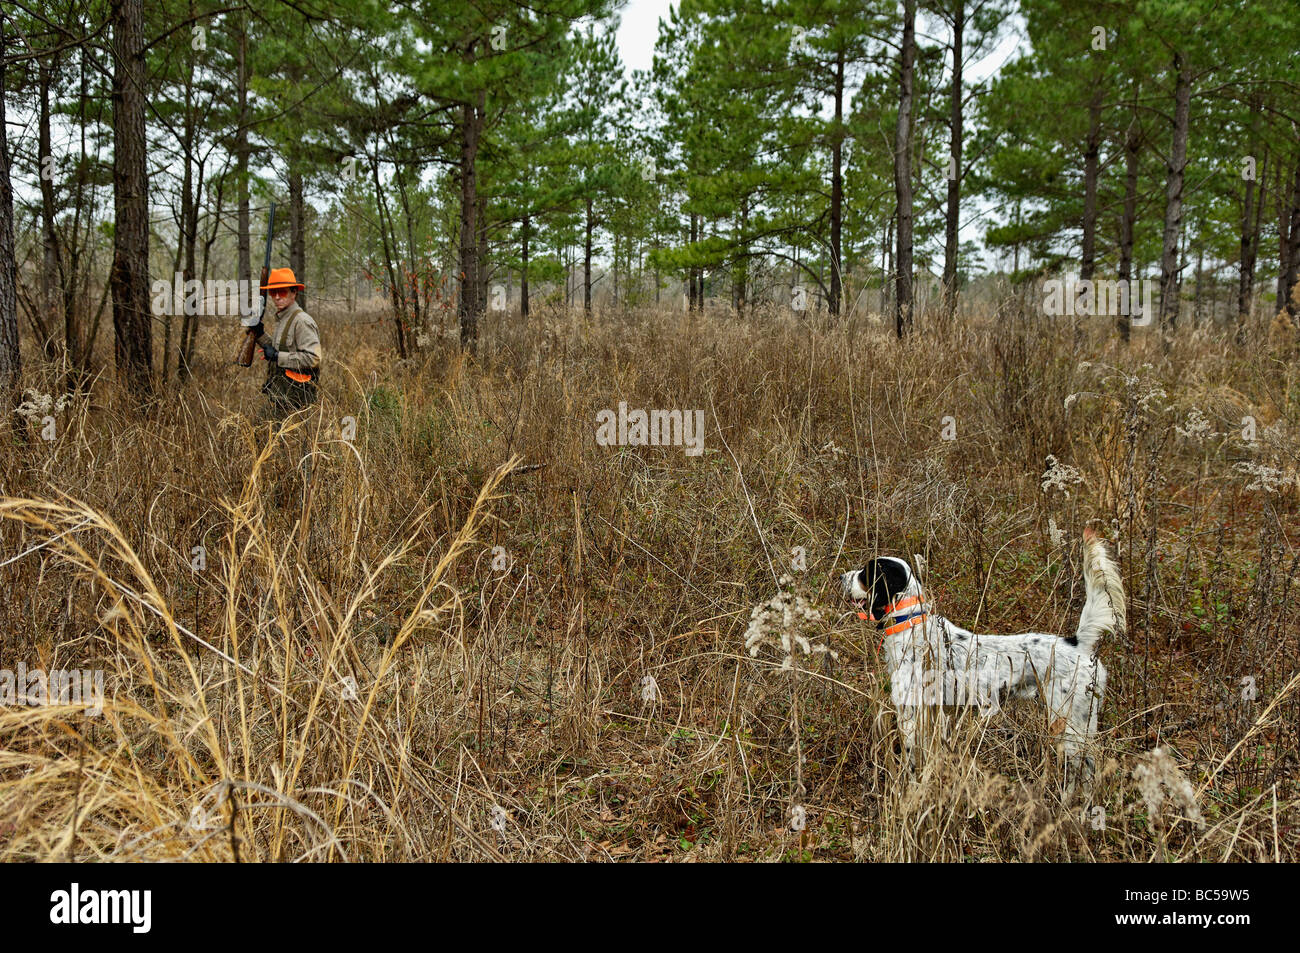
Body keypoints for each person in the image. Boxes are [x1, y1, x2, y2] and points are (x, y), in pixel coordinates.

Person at [247, 268, 321, 419]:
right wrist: (260, 334)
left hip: (296, 399)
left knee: (262, 433)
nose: (277, 297)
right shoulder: (284, 318)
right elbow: (279, 349)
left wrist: (277, 356)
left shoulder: (302, 321)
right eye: (273, 293)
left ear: (294, 293)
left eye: (282, 292)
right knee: (261, 433)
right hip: (281, 394)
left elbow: (313, 358)